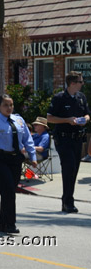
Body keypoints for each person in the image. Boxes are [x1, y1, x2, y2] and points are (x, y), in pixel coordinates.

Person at [0, 94, 36, 234]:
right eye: (6, 105)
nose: (9, 108)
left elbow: (27, 139)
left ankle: (2, 224)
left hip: (15, 159)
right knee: (8, 190)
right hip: (0, 159)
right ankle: (11, 224)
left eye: (11, 105)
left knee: (9, 192)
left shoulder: (19, 120)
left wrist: (33, 156)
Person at [47, 71, 90, 213]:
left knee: (74, 170)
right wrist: (67, 120)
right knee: (69, 168)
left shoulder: (81, 97)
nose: (82, 84)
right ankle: (68, 202)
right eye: (80, 81)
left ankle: (67, 199)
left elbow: (87, 113)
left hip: (77, 139)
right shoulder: (59, 98)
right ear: (72, 83)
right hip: (63, 139)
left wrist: (85, 119)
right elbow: (50, 118)